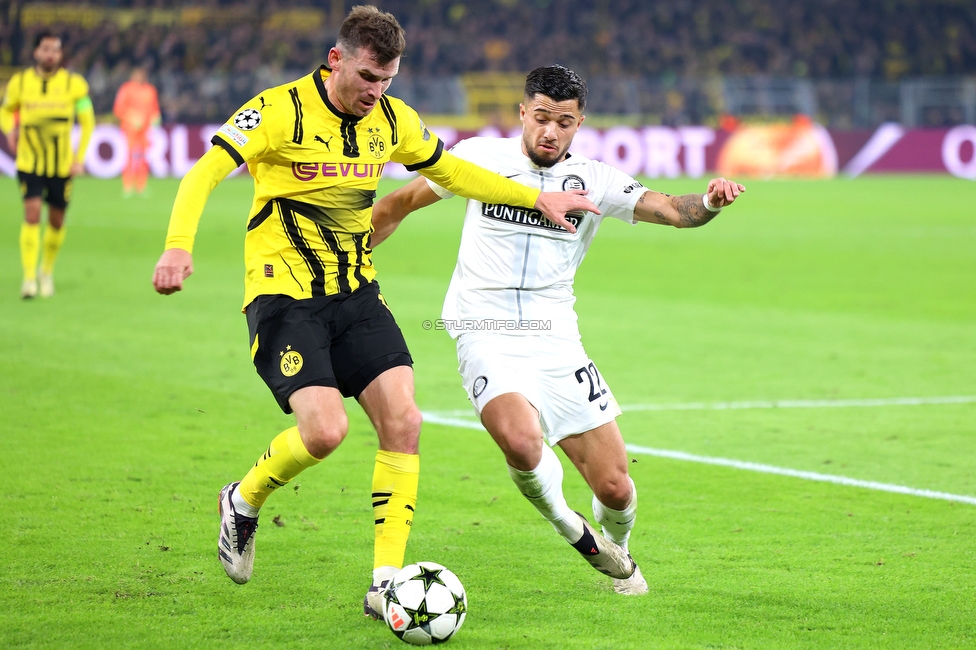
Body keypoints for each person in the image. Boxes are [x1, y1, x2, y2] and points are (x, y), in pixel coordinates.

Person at [150, 6, 597, 619]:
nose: (376, 92)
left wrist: (534, 197)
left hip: (357, 292)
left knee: (404, 422)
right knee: (325, 432)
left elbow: (453, 171)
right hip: (284, 295)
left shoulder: (392, 120)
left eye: (387, 80)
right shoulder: (280, 109)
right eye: (367, 77)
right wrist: (179, 244)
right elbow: (206, 170)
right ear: (337, 59)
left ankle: (385, 580)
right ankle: (243, 499)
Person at [371, 65, 745, 595]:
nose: (550, 131)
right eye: (541, 118)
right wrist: (348, 254)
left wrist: (709, 202)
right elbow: (399, 203)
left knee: (616, 487)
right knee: (523, 444)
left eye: (563, 122)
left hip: (555, 338)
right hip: (484, 328)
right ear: (523, 113)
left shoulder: (596, 179)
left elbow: (671, 211)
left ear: (579, 124)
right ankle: (573, 530)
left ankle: (620, 552)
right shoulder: (480, 157)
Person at [0, 31, 95, 299]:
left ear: (60, 54)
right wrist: (9, 130)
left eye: (55, 50)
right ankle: (29, 278)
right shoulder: (19, 82)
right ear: (36, 53)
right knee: (31, 213)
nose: (50, 54)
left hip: (61, 166)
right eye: (45, 49)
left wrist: (79, 159)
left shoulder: (74, 84)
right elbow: (6, 110)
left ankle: (46, 270)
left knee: (56, 220)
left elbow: (88, 122)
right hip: (29, 161)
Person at [113, 66, 160, 197]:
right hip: (130, 129)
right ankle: (127, 185)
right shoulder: (126, 89)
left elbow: (154, 108)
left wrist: (156, 116)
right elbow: (118, 109)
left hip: (144, 130)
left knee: (143, 157)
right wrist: (132, 118)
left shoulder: (150, 90)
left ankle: (141, 186)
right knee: (129, 155)